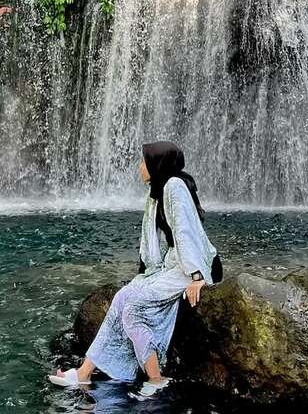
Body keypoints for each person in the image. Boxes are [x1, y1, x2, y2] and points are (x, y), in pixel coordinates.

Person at [49, 141, 218, 400]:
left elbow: (186, 231)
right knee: (121, 297)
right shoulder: (157, 191)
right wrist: (146, 272)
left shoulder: (174, 186)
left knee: (134, 307)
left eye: (143, 161)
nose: (139, 166)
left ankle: (157, 378)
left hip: (191, 265)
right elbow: (151, 241)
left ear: (157, 164)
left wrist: (197, 277)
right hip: (173, 264)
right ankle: (84, 373)